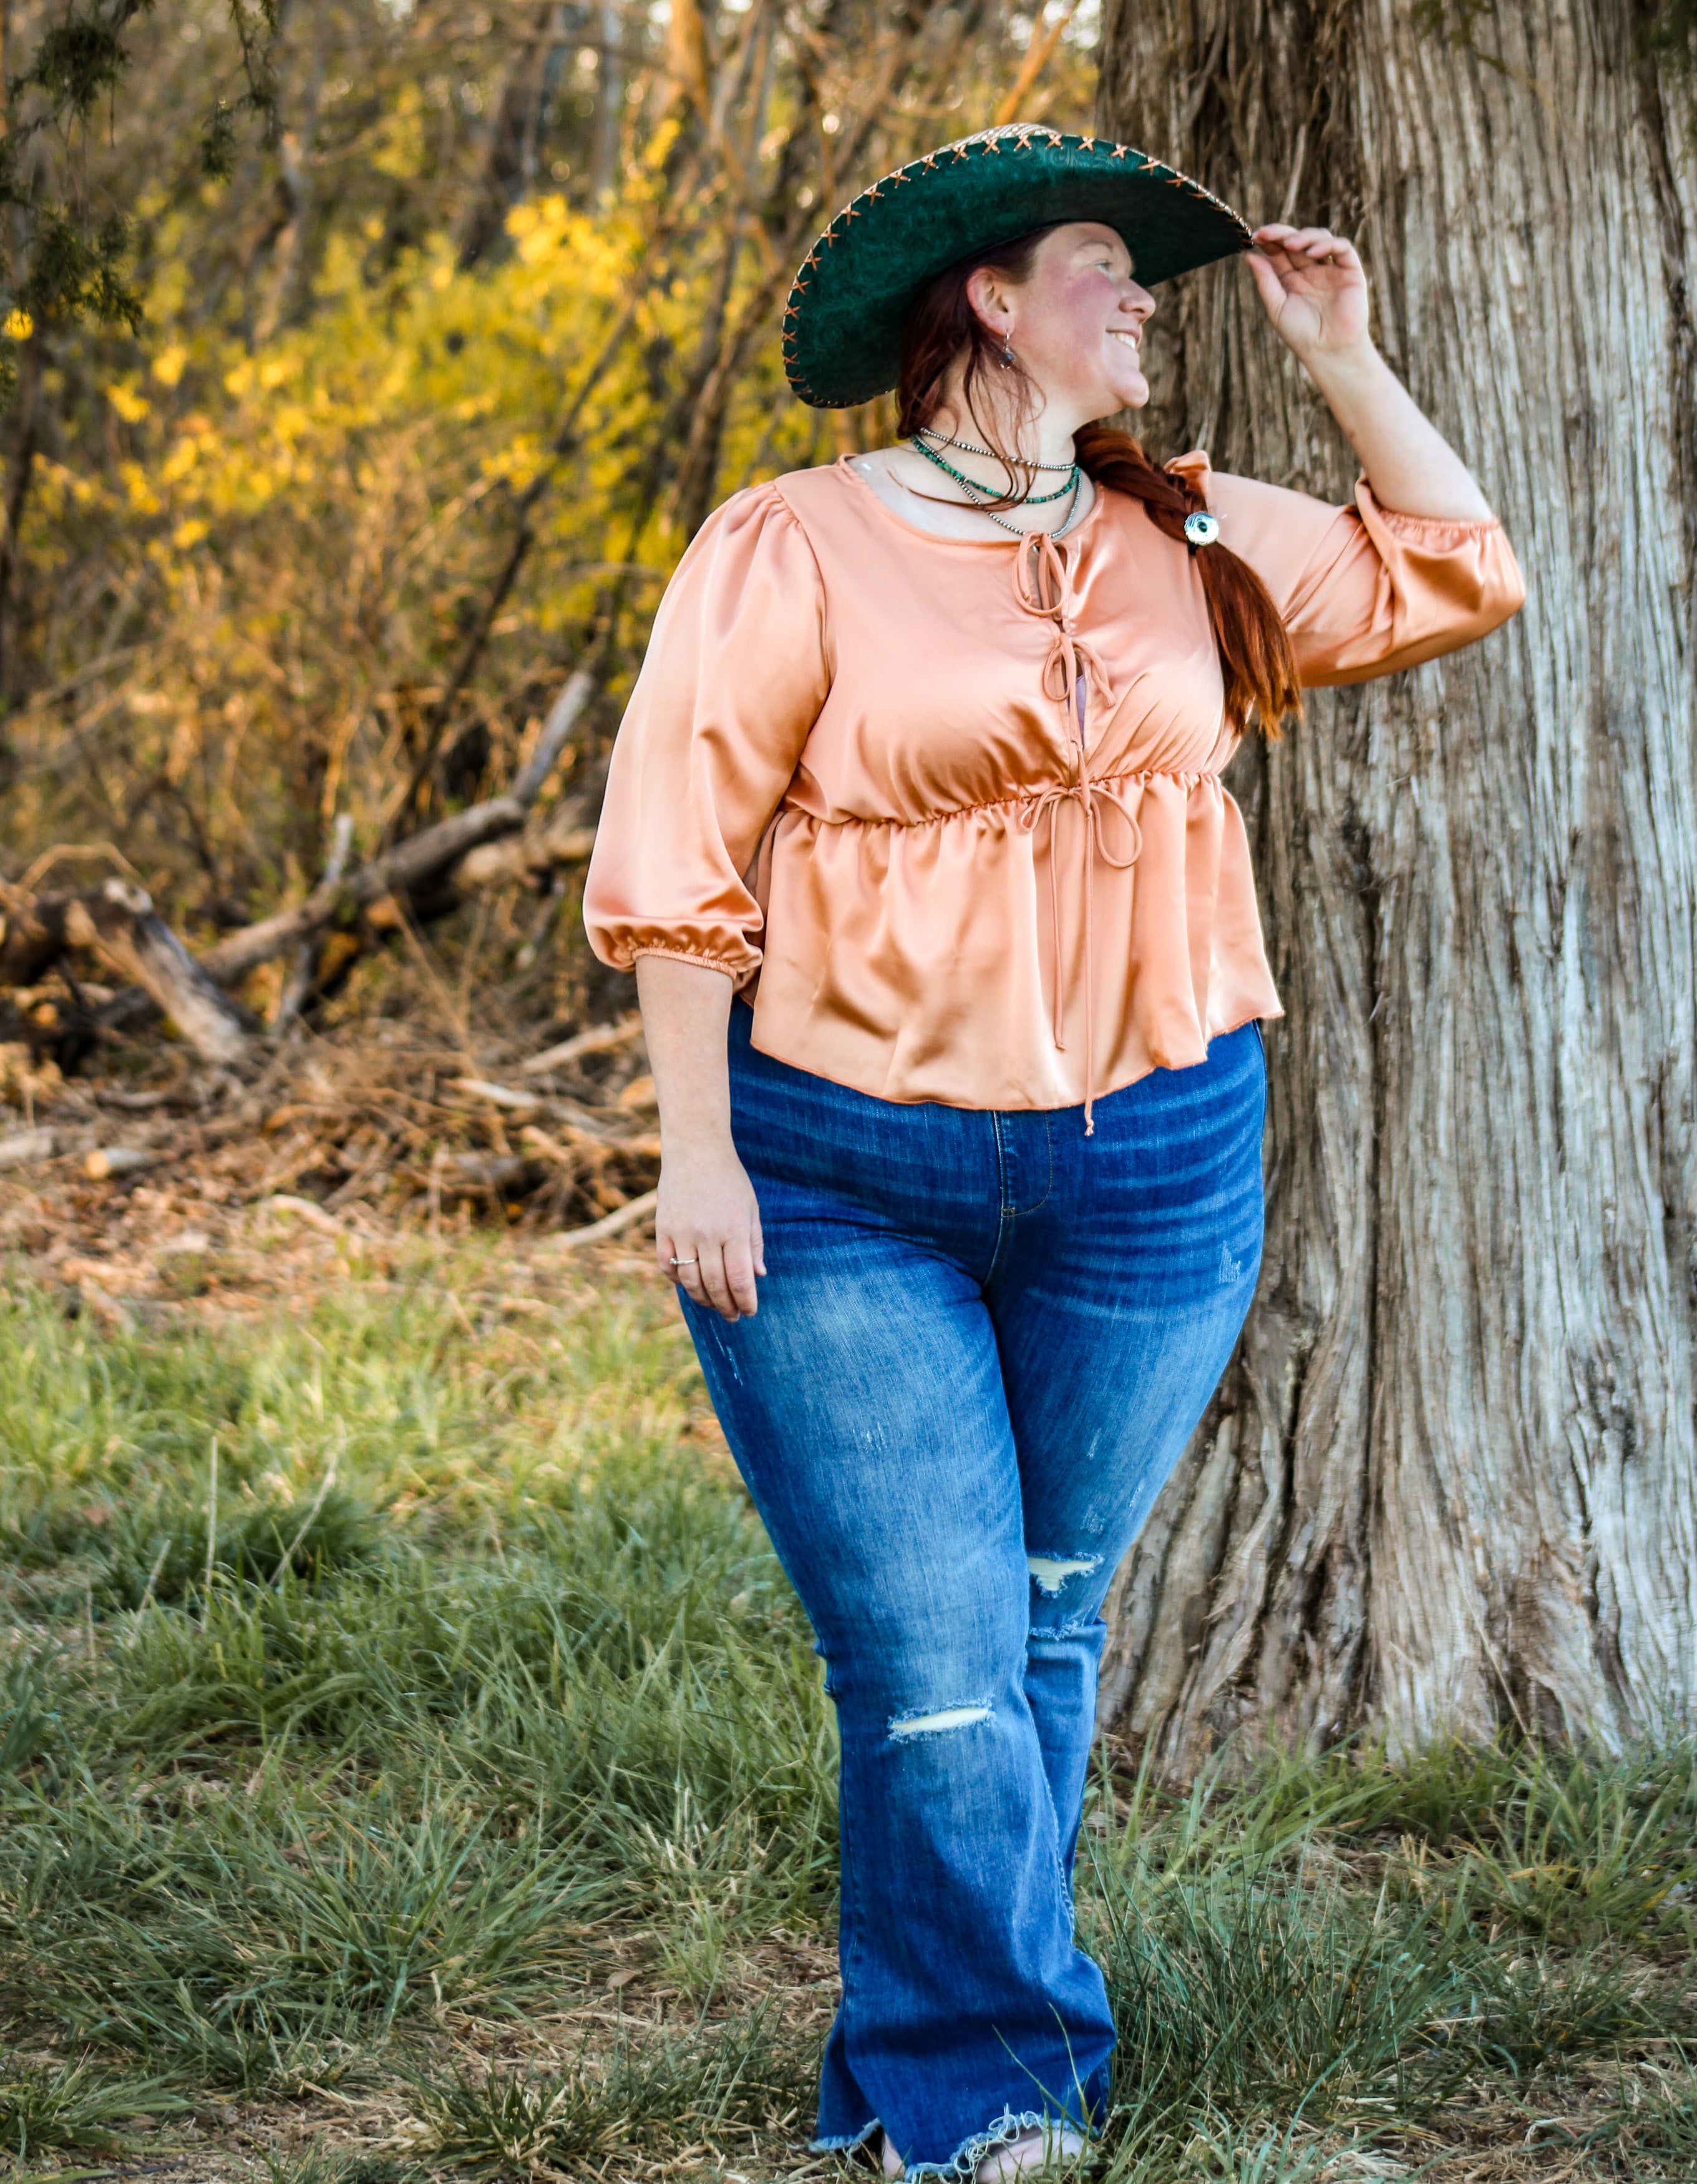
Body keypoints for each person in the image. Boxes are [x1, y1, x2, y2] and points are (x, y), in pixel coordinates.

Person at [585, 124, 1524, 2183]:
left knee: (1036, 1616)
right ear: (990, 301)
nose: (1150, 300)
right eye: (1111, 266)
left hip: (1153, 1161)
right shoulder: (793, 543)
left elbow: (1463, 570)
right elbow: (675, 856)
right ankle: (997, 2091)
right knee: (932, 1656)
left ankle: (919, 2063)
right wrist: (696, 1152)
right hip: (842, 1167)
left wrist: (1347, 354)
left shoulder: (1177, 523)